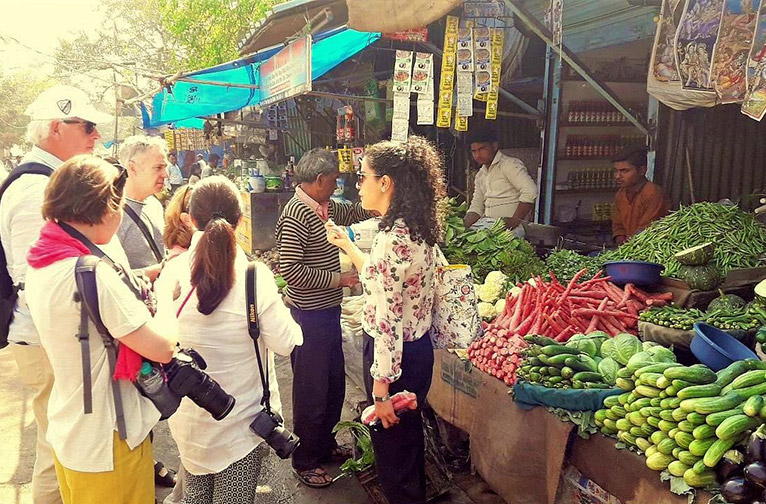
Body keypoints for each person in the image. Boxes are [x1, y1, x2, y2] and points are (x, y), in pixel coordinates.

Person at [24, 155, 178, 504]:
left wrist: (141, 278)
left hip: (70, 431)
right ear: (106, 209)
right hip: (109, 442)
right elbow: (163, 347)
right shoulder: (91, 273)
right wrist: (166, 294)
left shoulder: (43, 260)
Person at [157, 176, 303, 504]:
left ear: (190, 220)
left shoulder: (171, 273)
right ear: (240, 219)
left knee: (195, 496)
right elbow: (285, 343)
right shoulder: (254, 277)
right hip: (242, 426)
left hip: (189, 421)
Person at [0, 84, 110, 504]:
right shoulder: (35, 189)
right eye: (87, 125)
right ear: (55, 128)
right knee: (57, 447)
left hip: (52, 336)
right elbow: (36, 281)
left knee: (61, 440)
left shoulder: (51, 180)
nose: (95, 135)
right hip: (47, 338)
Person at [325, 136, 445, 504]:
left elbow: (388, 320)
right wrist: (347, 246)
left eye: (362, 177)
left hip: (394, 362)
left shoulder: (393, 240)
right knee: (408, 448)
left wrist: (381, 390)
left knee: (394, 456)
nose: (358, 186)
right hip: (418, 353)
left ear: (385, 183)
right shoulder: (417, 229)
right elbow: (381, 280)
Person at [275, 148, 370, 487]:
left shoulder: (324, 206)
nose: (336, 186)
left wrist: (381, 201)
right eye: (333, 181)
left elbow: (354, 211)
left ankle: (325, 445)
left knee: (332, 384)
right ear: (318, 180)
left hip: (328, 312)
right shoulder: (297, 214)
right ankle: (305, 460)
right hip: (308, 317)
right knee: (311, 390)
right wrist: (339, 280)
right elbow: (291, 270)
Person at [463, 128, 538, 235]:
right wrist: (462, 226)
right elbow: (477, 206)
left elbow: (530, 191)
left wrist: (514, 221)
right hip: (486, 225)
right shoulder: (480, 175)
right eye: (474, 151)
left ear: (494, 146)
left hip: (512, 229)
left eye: (482, 149)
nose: (478, 155)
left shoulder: (509, 165)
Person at [117, 135, 168, 278]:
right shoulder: (112, 215)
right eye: (158, 168)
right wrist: (156, 271)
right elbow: (108, 278)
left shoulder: (154, 205)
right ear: (132, 168)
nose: (165, 175)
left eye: (165, 168)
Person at [611, 148, 670, 245]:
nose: (618, 176)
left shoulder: (653, 194)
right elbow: (618, 227)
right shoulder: (620, 194)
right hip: (628, 248)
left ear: (642, 171)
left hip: (648, 248)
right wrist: (622, 244)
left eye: (624, 171)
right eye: (615, 171)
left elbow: (646, 231)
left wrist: (629, 247)